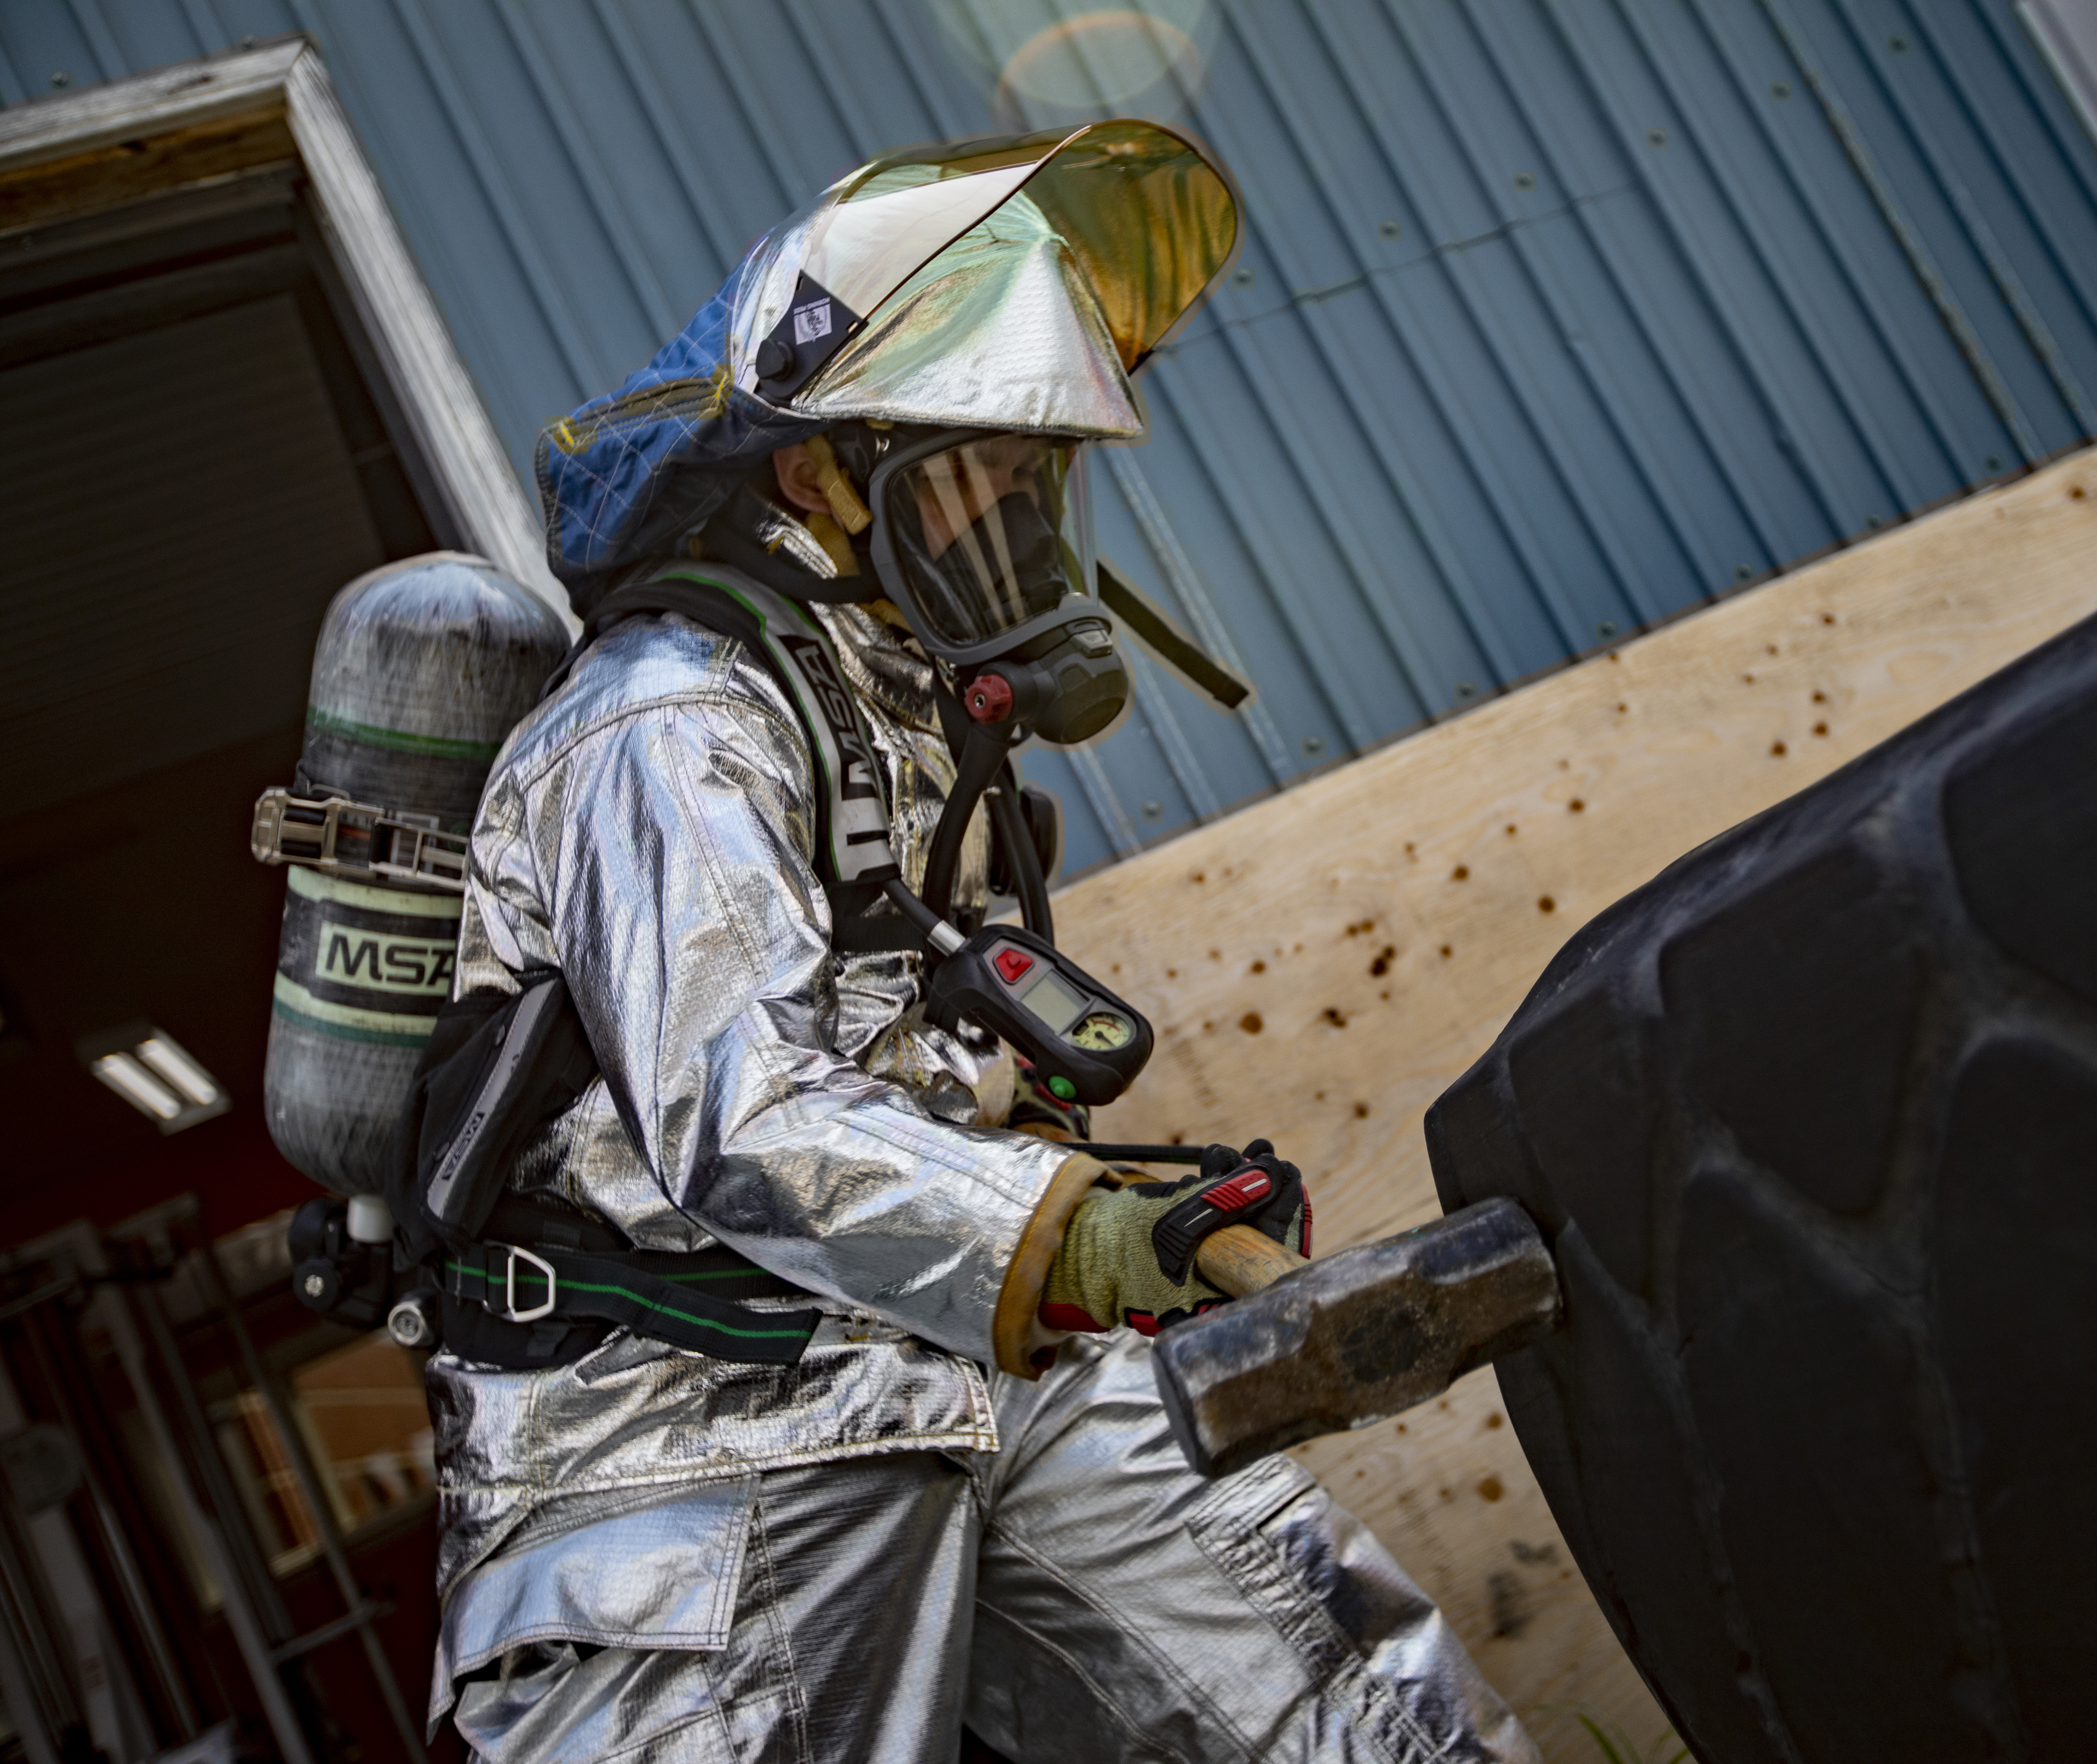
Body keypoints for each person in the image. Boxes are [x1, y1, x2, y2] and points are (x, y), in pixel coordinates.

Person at [425, 120, 1538, 1762]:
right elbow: (752, 1117)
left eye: (1030, 480)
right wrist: (1084, 1240)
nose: (1011, 521)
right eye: (967, 476)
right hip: (686, 1439)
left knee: (1351, 1704)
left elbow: (923, 1081)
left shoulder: (898, 725)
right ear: (818, 481)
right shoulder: (663, 724)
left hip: (959, 1364)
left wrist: (1138, 1223)